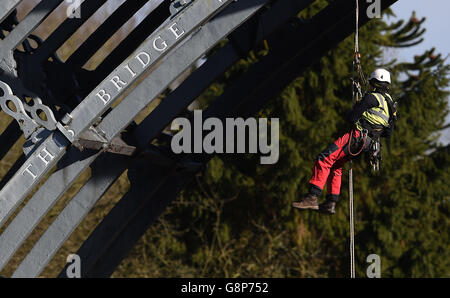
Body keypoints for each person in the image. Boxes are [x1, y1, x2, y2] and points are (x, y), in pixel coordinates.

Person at [292, 68, 397, 214]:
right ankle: (330, 203)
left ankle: (312, 197)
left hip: (357, 136)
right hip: (369, 143)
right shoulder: (391, 104)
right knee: (335, 165)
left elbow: (351, 118)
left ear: (374, 82)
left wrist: (356, 108)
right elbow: (389, 133)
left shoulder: (371, 98)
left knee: (324, 158)